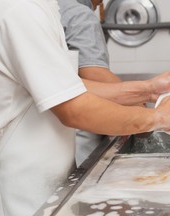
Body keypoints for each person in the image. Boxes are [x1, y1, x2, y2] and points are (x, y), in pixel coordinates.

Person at [0, 0, 170, 216]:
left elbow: (62, 87)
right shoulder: (19, 9)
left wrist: (148, 90)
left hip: (45, 182)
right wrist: (161, 117)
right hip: (22, 195)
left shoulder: (40, 6)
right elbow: (74, 109)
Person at [58, 0, 120, 166]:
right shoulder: (78, 15)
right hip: (78, 145)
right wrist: (145, 112)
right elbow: (95, 75)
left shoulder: (49, 10)